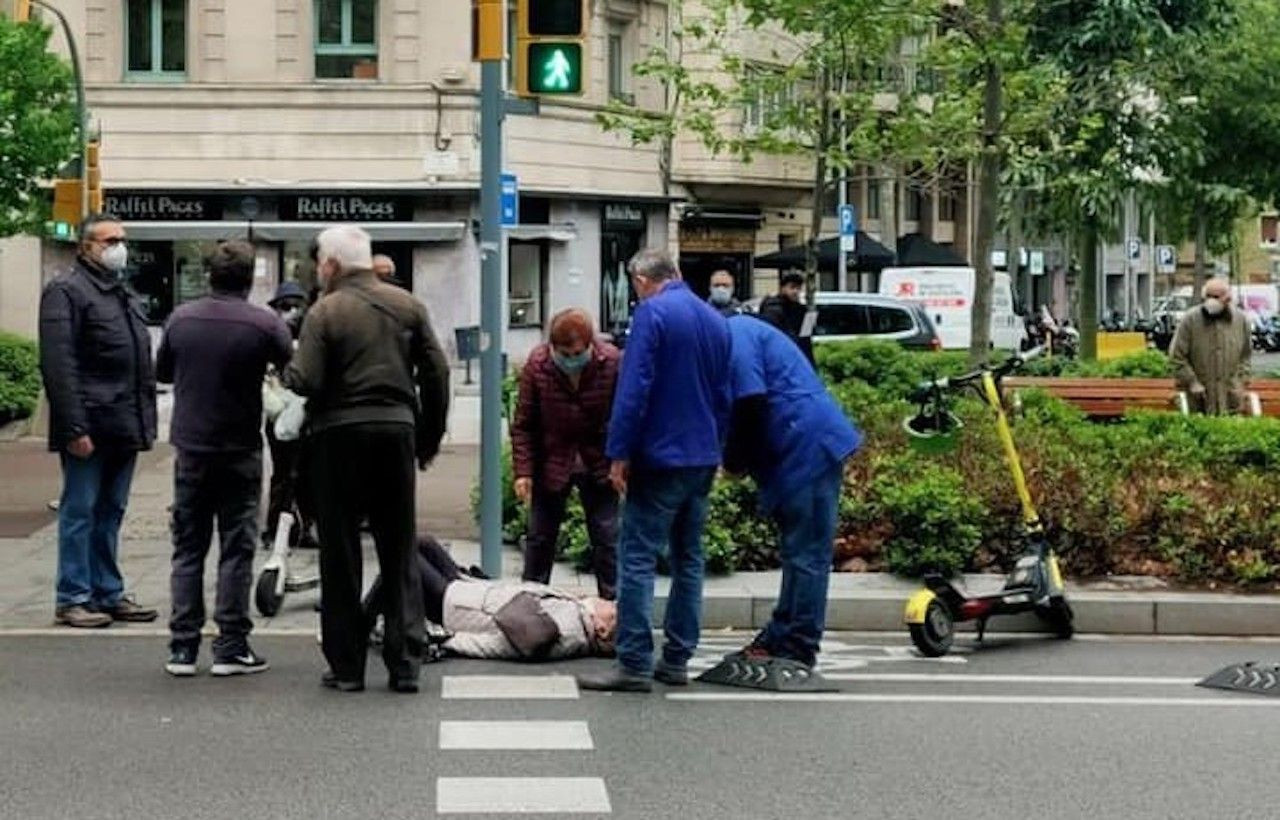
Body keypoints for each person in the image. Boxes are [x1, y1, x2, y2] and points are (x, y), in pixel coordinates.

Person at [283, 225, 450, 694]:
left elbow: (307, 379)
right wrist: (428, 437)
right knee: (398, 547)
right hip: (395, 430)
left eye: (320, 263)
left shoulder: (325, 310)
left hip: (337, 437)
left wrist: (287, 371)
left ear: (331, 266)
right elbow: (436, 371)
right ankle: (404, 663)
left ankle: (347, 665)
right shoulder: (407, 305)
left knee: (340, 550)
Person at [577, 249, 731, 693]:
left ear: (640, 280)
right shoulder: (713, 320)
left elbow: (634, 388)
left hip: (660, 456)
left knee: (638, 557)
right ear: (676, 274)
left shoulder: (652, 315)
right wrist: (717, 447)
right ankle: (677, 659)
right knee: (689, 559)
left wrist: (618, 455)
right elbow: (724, 394)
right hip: (701, 455)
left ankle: (635, 661)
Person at [155, 241, 293, 677]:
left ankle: (182, 647)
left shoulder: (181, 318)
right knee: (237, 547)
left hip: (191, 447)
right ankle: (231, 644)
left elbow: (162, 372)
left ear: (209, 274)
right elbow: (294, 370)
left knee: (188, 547)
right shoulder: (264, 323)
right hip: (239, 447)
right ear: (250, 277)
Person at [38, 213, 159, 629]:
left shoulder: (119, 292)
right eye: (109, 240)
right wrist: (74, 427)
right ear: (86, 246)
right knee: (80, 510)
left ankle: (107, 591)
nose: (118, 247)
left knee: (111, 510)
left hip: (123, 423)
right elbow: (58, 364)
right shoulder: (66, 291)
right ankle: (73, 595)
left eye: (122, 239)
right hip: (90, 424)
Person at [722, 314, 861, 668]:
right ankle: (781, 634)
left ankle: (798, 645)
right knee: (798, 551)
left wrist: (734, 460)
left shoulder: (734, 335)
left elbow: (749, 402)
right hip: (796, 444)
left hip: (805, 445)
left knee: (808, 554)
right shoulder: (735, 335)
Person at [511, 308, 620, 599]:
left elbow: (625, 416)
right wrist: (523, 471)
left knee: (607, 538)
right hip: (553, 460)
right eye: (564, 353)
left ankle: (614, 609)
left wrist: (623, 461)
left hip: (599, 460)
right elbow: (524, 424)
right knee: (539, 539)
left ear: (590, 346)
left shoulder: (611, 362)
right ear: (552, 348)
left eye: (577, 353)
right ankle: (531, 604)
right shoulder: (538, 365)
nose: (571, 360)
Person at [363, 536, 617, 660]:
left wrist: (450, 641)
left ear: (602, 629)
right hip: (469, 589)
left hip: (457, 608)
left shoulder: (569, 630)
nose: (612, 603)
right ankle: (369, 615)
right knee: (422, 544)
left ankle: (360, 623)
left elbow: (503, 646)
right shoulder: (578, 613)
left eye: (614, 612)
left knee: (403, 558)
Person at [261, 280, 316, 550]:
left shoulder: (309, 335)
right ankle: (276, 529)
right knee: (285, 474)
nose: (291, 311)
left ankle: (302, 527)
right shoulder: (271, 335)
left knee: (303, 473)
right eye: (286, 306)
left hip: (302, 413)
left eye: (295, 306)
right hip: (279, 416)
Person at [1169, 277, 1251, 415]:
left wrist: (1240, 382)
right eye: (1208, 296)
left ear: (1227, 298)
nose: (1211, 300)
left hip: (1230, 400)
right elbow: (1176, 357)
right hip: (1197, 400)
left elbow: (1245, 356)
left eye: (1216, 297)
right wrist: (1192, 382)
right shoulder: (1190, 319)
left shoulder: (1241, 320)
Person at [758, 271, 814, 365]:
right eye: (792, 287)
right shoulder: (772, 308)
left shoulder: (801, 310)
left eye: (798, 288)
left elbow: (806, 339)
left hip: (796, 357)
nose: (796, 291)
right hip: (778, 357)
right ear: (782, 288)